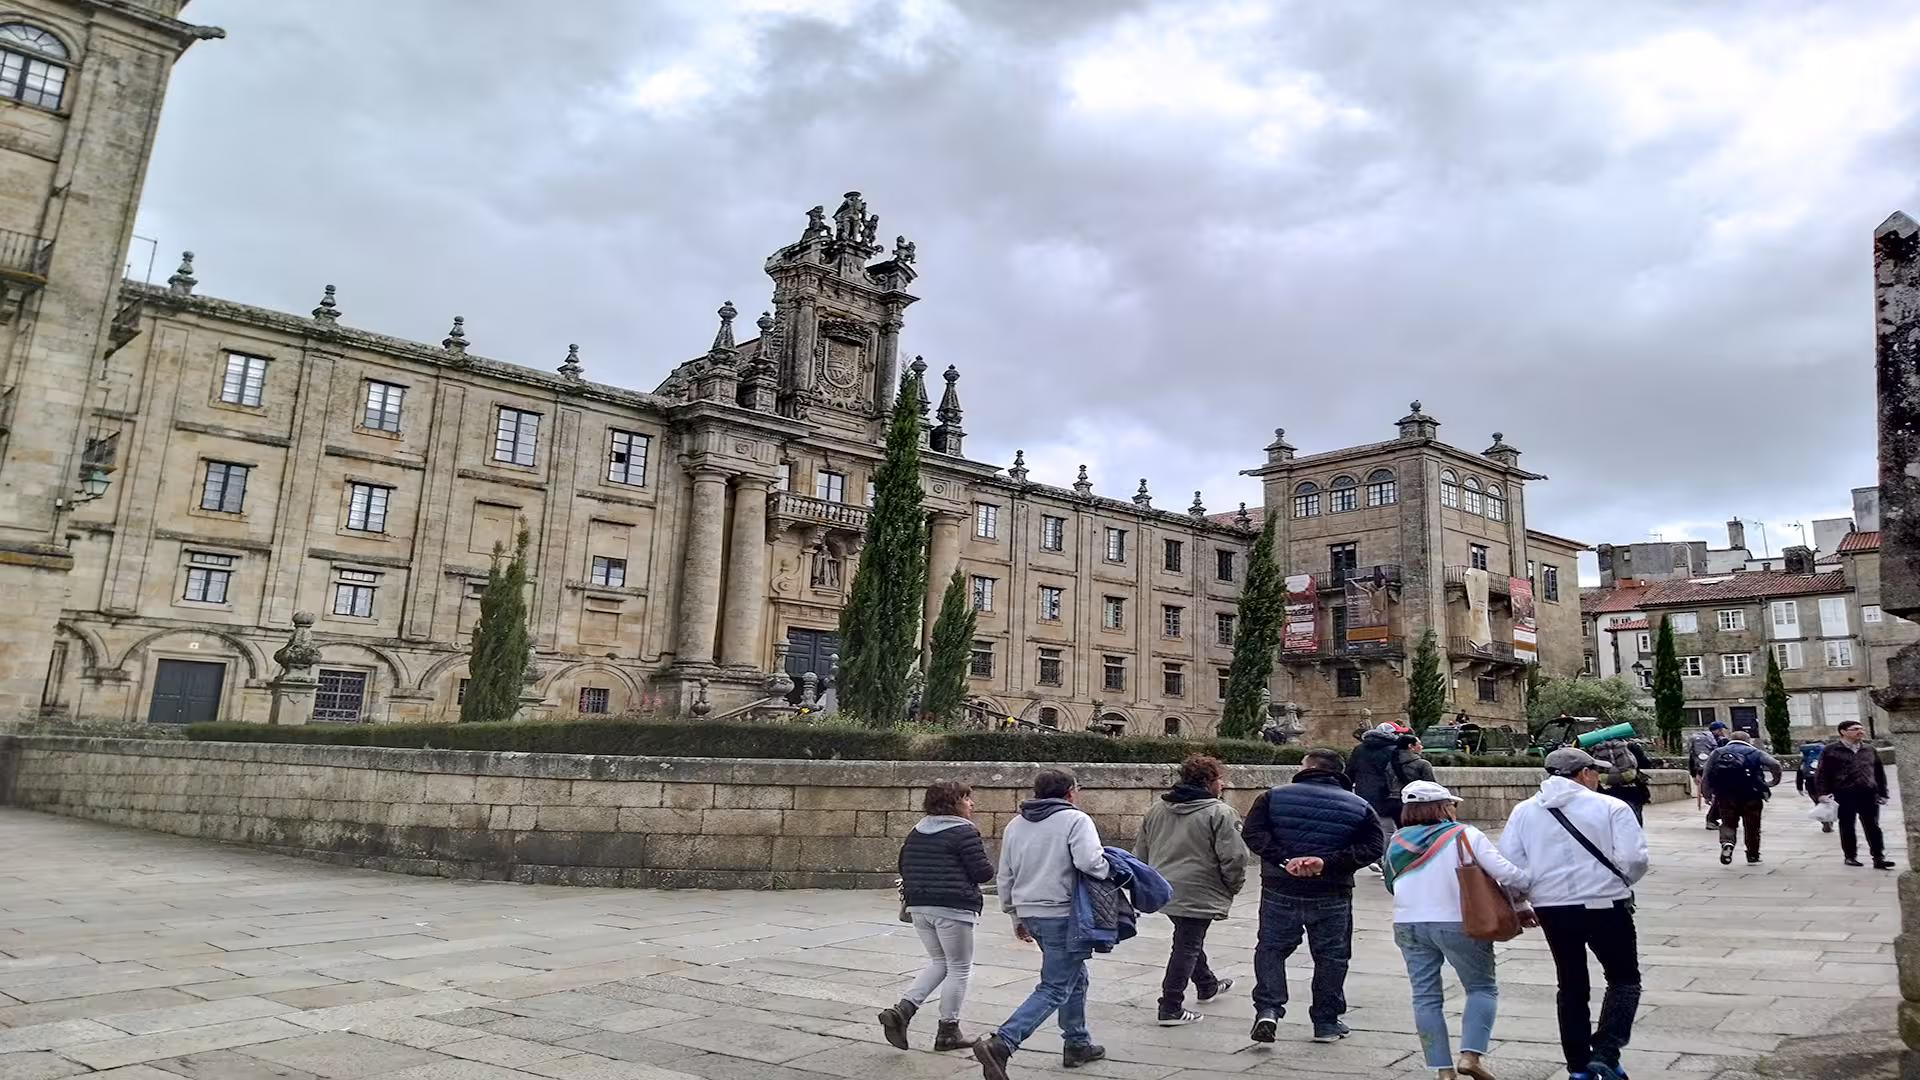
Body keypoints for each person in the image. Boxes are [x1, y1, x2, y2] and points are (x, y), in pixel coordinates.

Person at [1500, 747, 1649, 1080]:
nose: (1598, 777)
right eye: (1595, 772)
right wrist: (1622, 881)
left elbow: (1510, 864)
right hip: (1606, 903)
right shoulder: (1612, 807)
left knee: (1571, 985)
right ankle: (1608, 1051)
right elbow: (1635, 859)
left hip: (1552, 907)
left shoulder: (1524, 811)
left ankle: (1579, 1067)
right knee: (1624, 979)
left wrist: (1522, 901)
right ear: (1583, 774)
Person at [1384, 780, 1530, 1080]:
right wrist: (1530, 880)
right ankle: (1470, 1056)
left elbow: (1392, 883)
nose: (1454, 808)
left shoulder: (1397, 841)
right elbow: (1507, 873)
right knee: (1481, 988)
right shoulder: (1464, 835)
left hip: (1408, 923)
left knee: (1425, 997)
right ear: (1441, 807)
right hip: (1458, 922)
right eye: (1451, 804)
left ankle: (1443, 1070)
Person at [973, 768, 1111, 1079]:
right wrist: (1110, 867)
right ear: (1070, 793)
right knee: (1054, 986)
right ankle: (1003, 1043)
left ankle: (1077, 1042)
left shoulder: (1016, 824)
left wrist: (1014, 914)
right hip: (1062, 912)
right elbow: (1090, 861)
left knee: (1076, 976)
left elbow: (1005, 874)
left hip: (1031, 912)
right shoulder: (1076, 820)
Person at [1242, 747, 1387, 1045]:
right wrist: (1327, 863)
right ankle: (1326, 1022)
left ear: (1308, 767)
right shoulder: (1359, 805)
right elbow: (1373, 848)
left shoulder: (1273, 796)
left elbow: (1253, 834)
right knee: (1331, 957)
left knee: (1271, 949)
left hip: (1280, 887)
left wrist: (1285, 861)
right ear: (1339, 772)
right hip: (1332, 891)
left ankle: (1268, 1009)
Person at [881, 780, 996, 1053]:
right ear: (953, 802)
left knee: (940, 962)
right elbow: (982, 873)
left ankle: (902, 1011)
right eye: (967, 799)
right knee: (959, 967)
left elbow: (903, 864)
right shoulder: (964, 831)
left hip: (919, 906)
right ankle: (948, 1032)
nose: (972, 804)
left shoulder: (918, 829)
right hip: (952, 907)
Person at [1135, 755, 1248, 1026]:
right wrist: (1233, 885)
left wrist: (1147, 883)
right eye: (1220, 779)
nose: (1223, 785)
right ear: (1209, 781)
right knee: (1187, 944)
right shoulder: (1220, 812)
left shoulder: (1157, 809)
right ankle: (1171, 1005)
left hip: (1164, 887)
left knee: (1188, 937)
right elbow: (1234, 856)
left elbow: (1140, 851)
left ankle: (1207, 983)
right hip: (1201, 887)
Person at [1813, 720, 1894, 870]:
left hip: (1868, 793)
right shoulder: (1831, 750)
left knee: (1873, 826)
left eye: (1861, 729)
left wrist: (1883, 793)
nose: (1860, 731)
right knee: (1847, 826)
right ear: (1843, 732)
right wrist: (1822, 794)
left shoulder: (1869, 749)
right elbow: (1822, 773)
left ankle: (1879, 857)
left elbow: (1878, 772)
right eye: (1855, 729)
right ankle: (1850, 856)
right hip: (1844, 793)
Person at [1704, 731, 1782, 865]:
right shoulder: (1755, 752)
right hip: (1751, 794)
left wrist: (1707, 793)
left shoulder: (1717, 753)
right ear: (1748, 740)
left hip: (1725, 795)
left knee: (1728, 823)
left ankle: (1727, 843)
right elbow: (1775, 764)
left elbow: (1707, 773)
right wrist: (1774, 781)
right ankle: (1752, 856)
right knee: (1752, 826)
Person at [1591, 735, 1655, 824]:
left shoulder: (1594, 748)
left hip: (1606, 790)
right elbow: (1645, 764)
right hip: (1631, 789)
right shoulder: (1631, 746)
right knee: (1634, 818)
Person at [1688, 722, 1729, 828]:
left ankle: (1713, 819)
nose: (1725, 732)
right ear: (1719, 730)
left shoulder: (1703, 741)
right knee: (1721, 797)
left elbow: (1693, 758)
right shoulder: (1719, 741)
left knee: (1719, 797)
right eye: (1724, 729)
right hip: (1716, 774)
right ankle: (1712, 819)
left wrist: (1695, 773)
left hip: (1706, 773)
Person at [1797, 737, 1832, 833]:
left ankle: (1825, 822)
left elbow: (1799, 772)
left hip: (1810, 782)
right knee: (1828, 803)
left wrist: (1799, 787)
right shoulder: (1827, 754)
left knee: (1818, 803)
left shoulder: (1806, 758)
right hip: (1826, 782)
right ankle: (1828, 821)